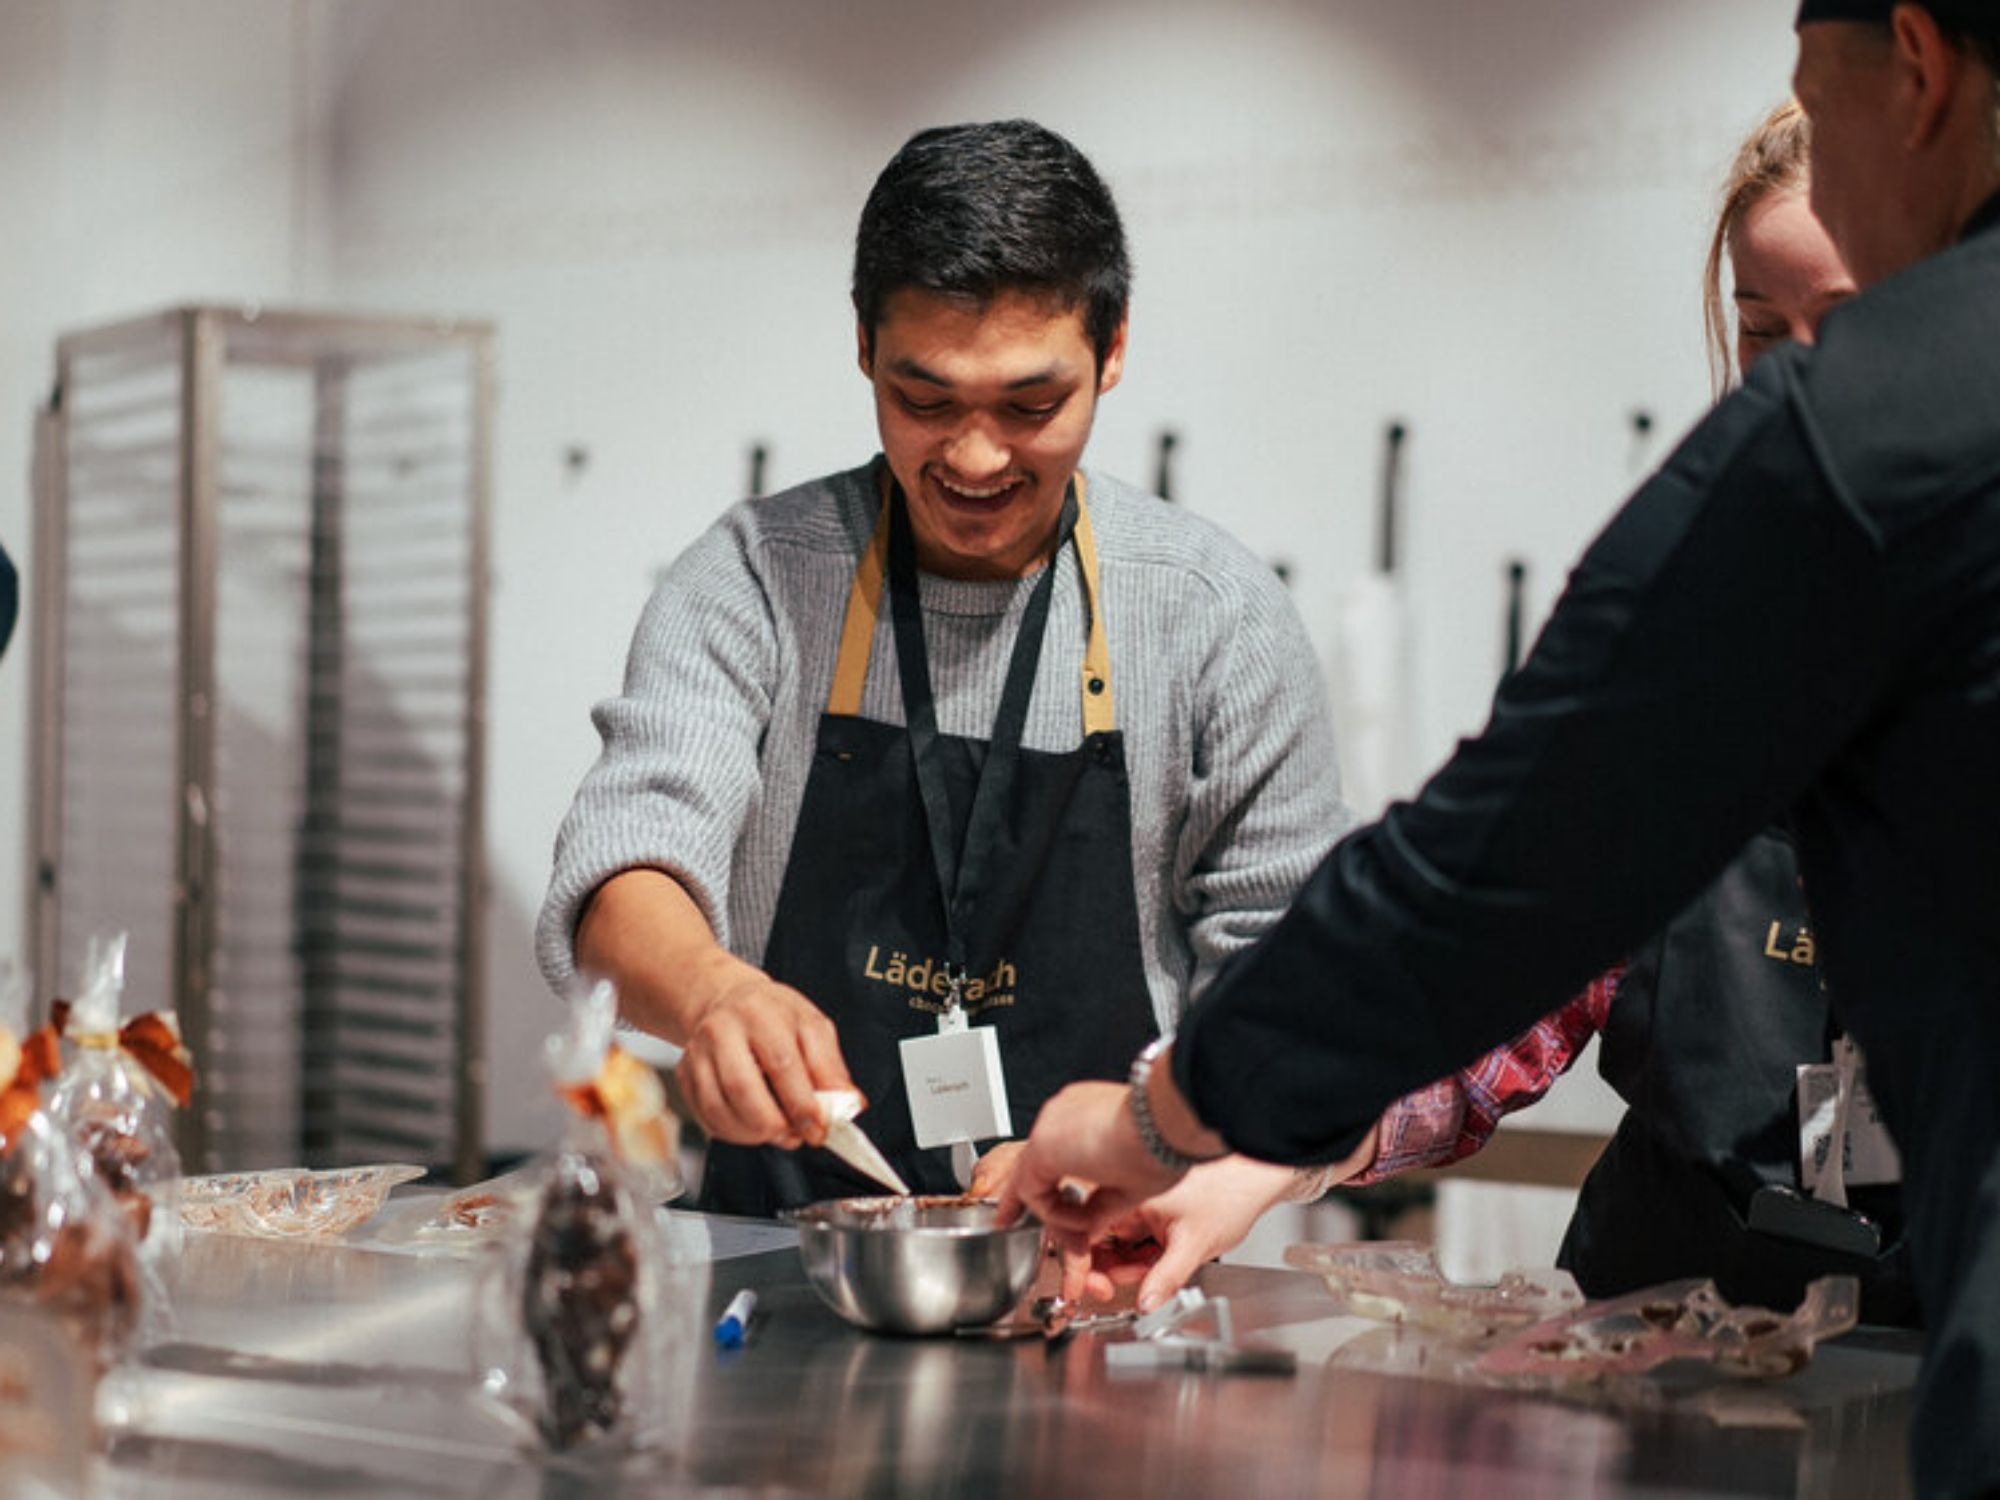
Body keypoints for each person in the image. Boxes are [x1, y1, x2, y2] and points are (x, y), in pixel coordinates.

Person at [1007, 7, 2000, 1495]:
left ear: (1916, 65)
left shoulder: (1860, 448)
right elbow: (1500, 994)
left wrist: (1162, 1112)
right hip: (1683, 1378)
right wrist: (1252, 1165)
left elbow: (1485, 879)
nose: (1802, 368)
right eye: (1760, 329)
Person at [536, 120, 1348, 1226]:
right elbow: (626, 866)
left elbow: (1288, 970)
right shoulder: (756, 579)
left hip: (1111, 1258)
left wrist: (1169, 1158)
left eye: (1029, 406)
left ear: (1111, 354)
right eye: (925, 401)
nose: (973, 457)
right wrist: (714, 993)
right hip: (778, 1263)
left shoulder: (1212, 617)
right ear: (864, 348)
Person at [1346, 100, 1919, 1327]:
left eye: (1855, 323)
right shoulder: (1687, 630)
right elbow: (1506, 969)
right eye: (1765, 334)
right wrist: (1281, 1126)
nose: (1811, 382)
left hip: (1936, 1366)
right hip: (1656, 1340)